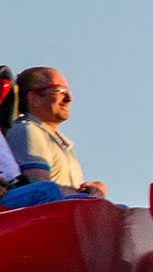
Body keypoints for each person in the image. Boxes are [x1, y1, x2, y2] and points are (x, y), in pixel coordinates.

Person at [4, 67, 106, 208]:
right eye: (60, 91)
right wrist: (88, 196)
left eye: (68, 92)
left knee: (122, 212)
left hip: (59, 211)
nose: (69, 99)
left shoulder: (56, 139)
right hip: (34, 216)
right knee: (48, 190)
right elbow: (39, 187)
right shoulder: (28, 130)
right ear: (34, 99)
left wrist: (95, 189)